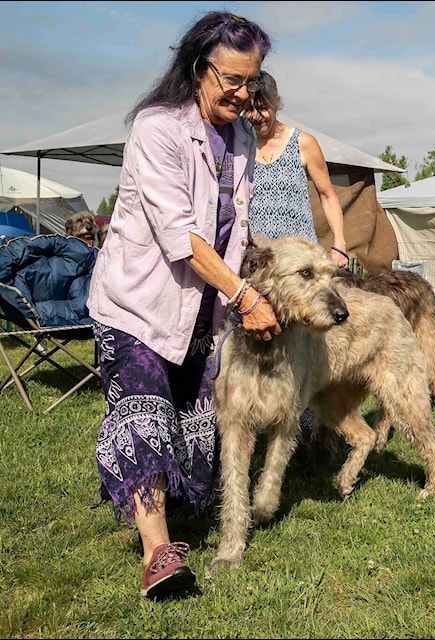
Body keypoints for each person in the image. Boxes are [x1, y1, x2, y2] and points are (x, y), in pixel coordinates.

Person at [87, 11, 280, 599]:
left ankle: (180, 512)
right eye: (233, 80)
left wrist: (273, 273)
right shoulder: (157, 129)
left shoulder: (243, 137)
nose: (245, 93)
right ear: (199, 68)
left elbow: (237, 226)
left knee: (192, 420)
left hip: (202, 307)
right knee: (144, 411)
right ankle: (157, 554)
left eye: (254, 81)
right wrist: (245, 294)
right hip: (139, 302)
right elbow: (181, 235)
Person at [244, 70, 348, 268]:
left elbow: (328, 196)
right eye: (249, 109)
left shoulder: (303, 143)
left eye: (263, 108)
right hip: (257, 260)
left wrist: (339, 243)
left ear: (276, 103)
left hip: (300, 261)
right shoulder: (239, 145)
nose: (256, 116)